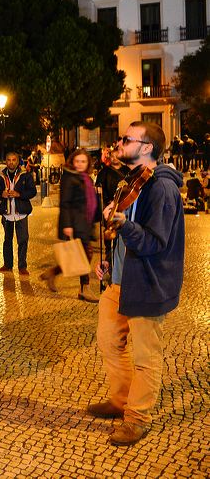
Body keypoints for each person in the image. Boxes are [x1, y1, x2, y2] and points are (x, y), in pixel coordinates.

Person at [89, 121, 185, 446]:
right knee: (108, 340)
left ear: (146, 148)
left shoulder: (162, 189)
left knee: (146, 357)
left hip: (148, 283)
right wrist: (111, 258)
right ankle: (120, 399)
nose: (119, 142)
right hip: (120, 281)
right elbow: (129, 234)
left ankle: (137, 418)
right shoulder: (133, 183)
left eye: (126, 139)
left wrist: (121, 224)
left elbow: (155, 242)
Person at [40, 148, 100, 303]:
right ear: (72, 162)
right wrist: (67, 225)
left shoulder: (86, 178)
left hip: (85, 222)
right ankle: (84, 289)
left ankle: (53, 272)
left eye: (83, 161)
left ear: (88, 163)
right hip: (75, 222)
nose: (80, 164)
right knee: (86, 255)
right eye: (77, 161)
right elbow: (64, 203)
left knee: (80, 255)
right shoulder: (69, 177)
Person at [0, 152, 37, 276]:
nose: (11, 162)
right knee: (7, 240)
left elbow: (32, 191)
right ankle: (7, 265)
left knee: (22, 240)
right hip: (7, 214)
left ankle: (22, 266)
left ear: (18, 161)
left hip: (21, 213)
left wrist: (19, 195)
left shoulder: (25, 175)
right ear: (5, 161)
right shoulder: (2, 176)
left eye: (14, 160)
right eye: (9, 160)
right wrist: (1, 194)